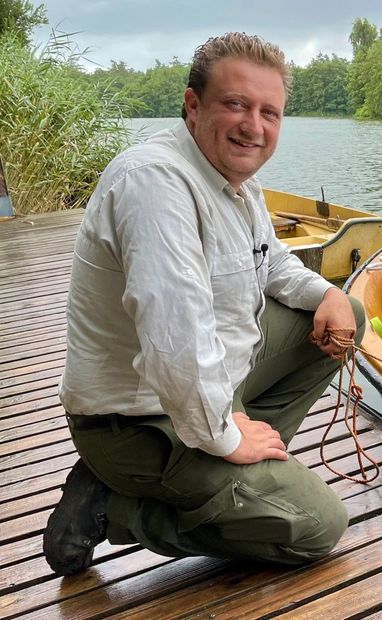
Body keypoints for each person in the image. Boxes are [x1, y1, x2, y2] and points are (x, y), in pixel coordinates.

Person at [43, 33, 365, 576]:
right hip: (136, 421)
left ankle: (232, 475)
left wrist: (332, 292)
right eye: (236, 104)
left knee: (344, 316)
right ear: (192, 106)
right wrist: (226, 437)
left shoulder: (235, 180)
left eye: (270, 112)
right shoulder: (155, 185)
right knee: (316, 527)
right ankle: (114, 508)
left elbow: (275, 266)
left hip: (193, 389)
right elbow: (176, 342)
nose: (254, 127)